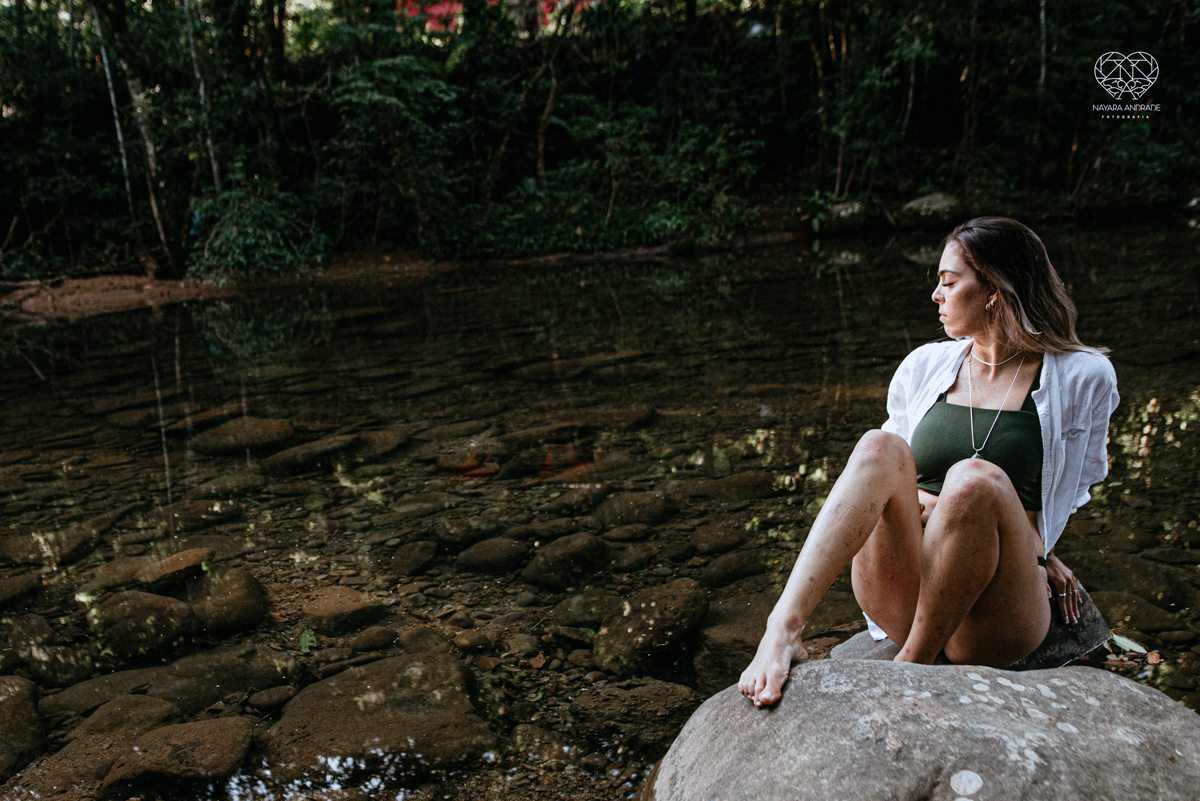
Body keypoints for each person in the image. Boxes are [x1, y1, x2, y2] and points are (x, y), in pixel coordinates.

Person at [739, 216, 1119, 708]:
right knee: (878, 445)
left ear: (995, 290)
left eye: (949, 282)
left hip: (999, 613)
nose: (936, 297)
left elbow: (1065, 494)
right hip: (907, 589)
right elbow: (883, 485)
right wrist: (935, 502)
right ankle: (782, 628)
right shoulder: (924, 365)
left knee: (973, 478)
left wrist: (1032, 545)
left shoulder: (1084, 377)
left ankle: (913, 665)